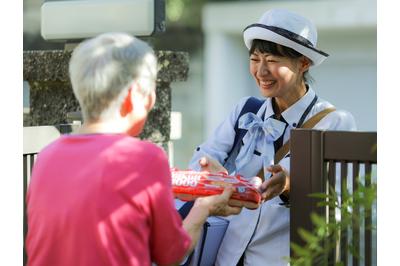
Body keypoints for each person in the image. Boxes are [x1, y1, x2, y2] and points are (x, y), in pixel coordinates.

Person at [25, 32, 242, 266]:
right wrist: (203, 208)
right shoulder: (144, 158)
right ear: (134, 95)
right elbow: (171, 254)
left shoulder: (48, 156)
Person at [189, 8, 357, 266]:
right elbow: (203, 158)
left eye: (272, 60)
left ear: (303, 63)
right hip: (225, 257)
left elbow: (337, 201)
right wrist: (210, 174)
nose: (261, 71)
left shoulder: (335, 122)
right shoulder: (245, 111)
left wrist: (290, 183)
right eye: (255, 59)